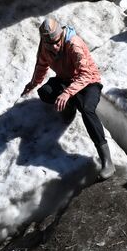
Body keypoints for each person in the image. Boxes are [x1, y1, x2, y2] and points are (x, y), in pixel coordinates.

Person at [19, 16, 115, 179]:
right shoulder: (45, 46)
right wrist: (33, 83)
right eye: (50, 44)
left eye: (57, 42)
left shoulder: (73, 43)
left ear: (61, 35)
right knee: (45, 92)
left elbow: (86, 74)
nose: (54, 47)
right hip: (65, 79)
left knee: (86, 109)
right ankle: (69, 106)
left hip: (88, 82)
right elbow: (41, 65)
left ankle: (107, 161)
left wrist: (67, 92)